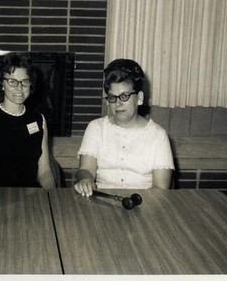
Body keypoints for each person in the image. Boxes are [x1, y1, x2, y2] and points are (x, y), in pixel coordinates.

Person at [74, 58, 174, 196]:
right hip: (102, 200)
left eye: (124, 96)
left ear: (139, 98)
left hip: (144, 205)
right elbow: (86, 169)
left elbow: (161, 189)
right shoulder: (96, 128)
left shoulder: (158, 135)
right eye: (112, 97)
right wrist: (86, 179)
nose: (118, 103)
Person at [0, 52, 55, 189]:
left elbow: (45, 172)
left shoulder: (39, 119)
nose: (19, 88)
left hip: (31, 197)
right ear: (2, 84)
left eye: (25, 82)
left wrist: (50, 197)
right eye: (12, 81)